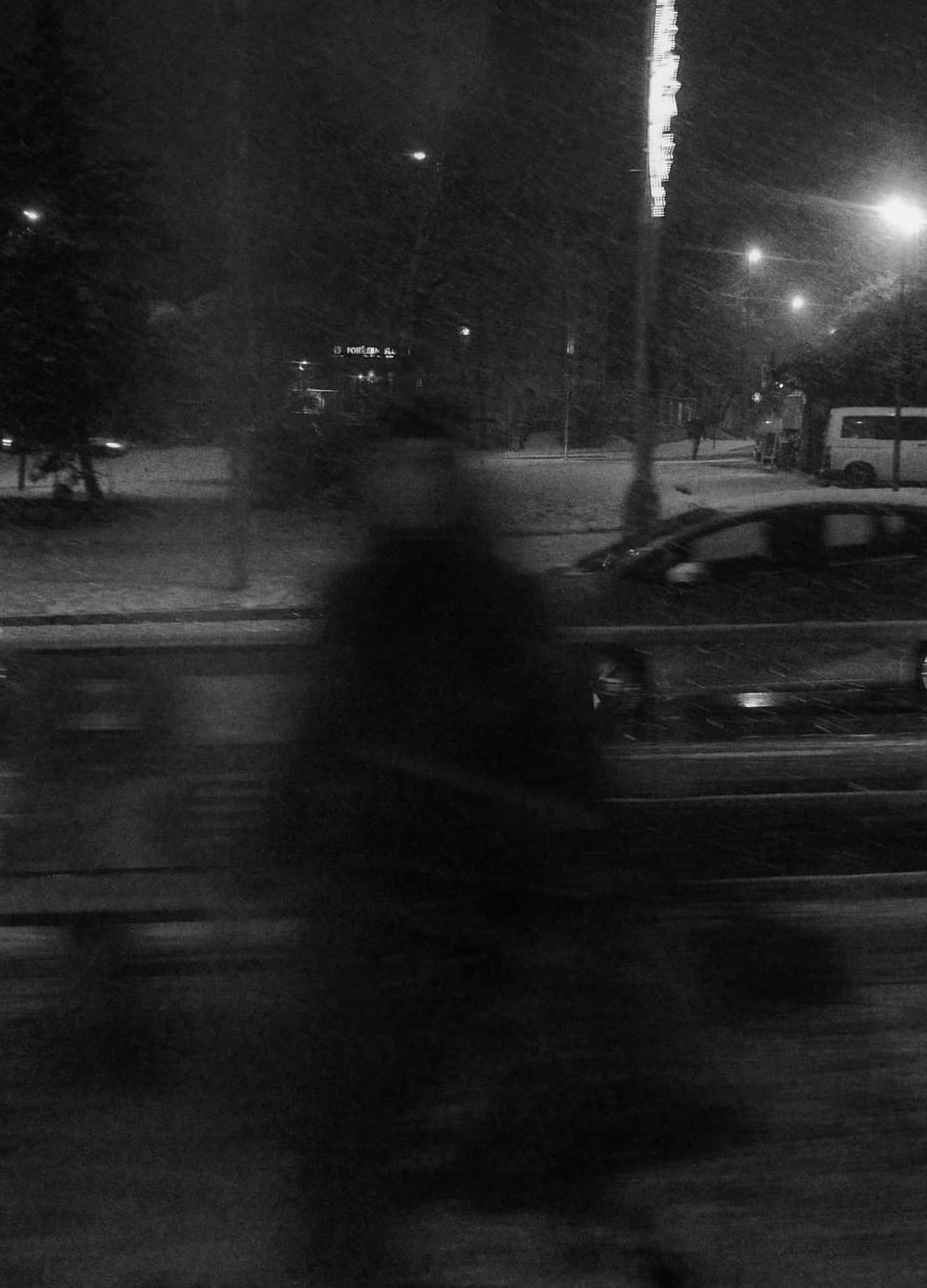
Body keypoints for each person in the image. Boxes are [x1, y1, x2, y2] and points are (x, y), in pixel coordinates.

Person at [267, 397, 721, 1286]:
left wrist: (584, 834)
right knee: (354, 1111)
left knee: (549, 1094)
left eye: (425, 464)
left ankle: (617, 1243)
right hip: (395, 881)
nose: (406, 484)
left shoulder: (499, 598)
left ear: (453, 477)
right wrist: (281, 829)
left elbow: (557, 730)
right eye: (388, 465)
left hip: (493, 882)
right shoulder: (358, 602)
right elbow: (322, 729)